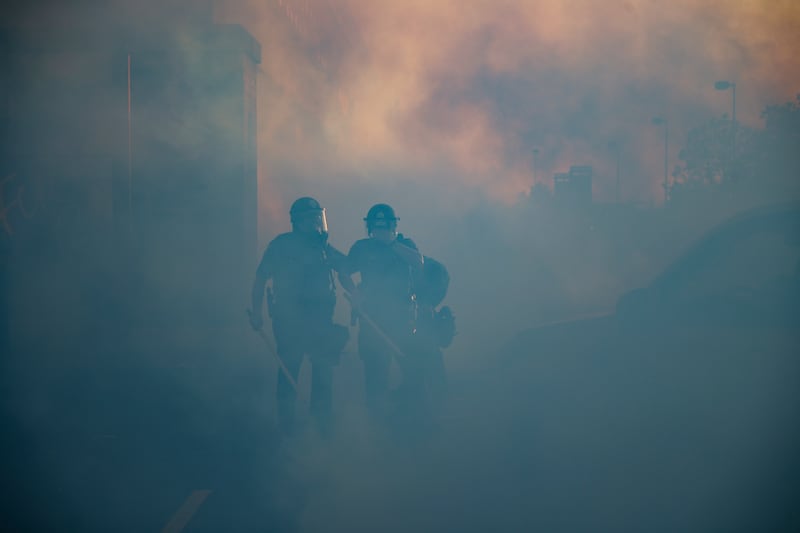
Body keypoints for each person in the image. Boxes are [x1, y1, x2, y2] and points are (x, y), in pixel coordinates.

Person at [249, 197, 349, 436]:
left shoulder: (323, 247)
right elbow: (261, 278)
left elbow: (346, 268)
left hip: (321, 321)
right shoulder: (281, 246)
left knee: (323, 372)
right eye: (311, 219)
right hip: (289, 321)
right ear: (298, 222)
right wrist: (256, 311)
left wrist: (358, 293)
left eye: (318, 217)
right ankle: (286, 427)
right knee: (288, 371)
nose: (316, 223)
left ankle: (322, 425)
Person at [338, 203, 425, 421]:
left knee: (410, 369)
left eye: (384, 226)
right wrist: (355, 294)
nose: (379, 231)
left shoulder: (405, 244)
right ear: (369, 228)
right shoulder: (362, 248)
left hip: (402, 320)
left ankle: (413, 418)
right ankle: (377, 422)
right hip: (372, 319)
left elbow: (418, 262)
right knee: (375, 372)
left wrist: (392, 243)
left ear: (393, 226)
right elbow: (344, 272)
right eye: (376, 227)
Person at [413, 255, 456, 412]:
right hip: (415, 313)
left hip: (423, 318)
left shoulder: (424, 267)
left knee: (429, 351)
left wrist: (427, 302)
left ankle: (438, 400)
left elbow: (441, 275)